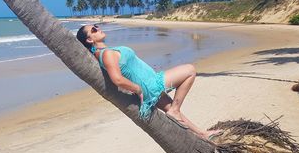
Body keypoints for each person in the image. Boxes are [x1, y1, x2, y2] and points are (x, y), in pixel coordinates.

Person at [76, 24, 222, 140]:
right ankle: (176, 112)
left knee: (171, 108)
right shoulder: (106, 54)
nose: (98, 28)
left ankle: (202, 134)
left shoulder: (104, 52)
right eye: (94, 29)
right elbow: (117, 79)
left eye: (96, 26)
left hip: (149, 84)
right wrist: (137, 88)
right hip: (149, 85)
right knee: (190, 70)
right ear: (90, 40)